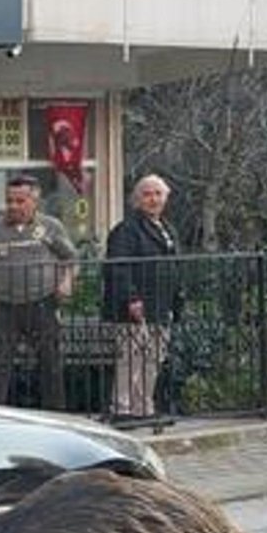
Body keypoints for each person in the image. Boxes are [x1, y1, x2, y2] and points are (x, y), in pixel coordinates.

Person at [0, 174, 78, 409]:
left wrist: (66, 282)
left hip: (42, 302)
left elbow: (71, 258)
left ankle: (56, 415)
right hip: (4, 305)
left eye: (20, 201)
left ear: (34, 201)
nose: (13, 206)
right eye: (9, 201)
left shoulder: (50, 227)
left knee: (50, 364)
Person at [104, 173, 181, 420]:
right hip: (134, 306)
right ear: (137, 199)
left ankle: (143, 407)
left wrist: (177, 300)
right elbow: (118, 267)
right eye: (147, 194)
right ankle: (122, 408)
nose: (153, 199)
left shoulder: (168, 228)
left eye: (158, 194)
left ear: (166, 198)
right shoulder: (126, 230)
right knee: (131, 359)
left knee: (153, 360)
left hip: (161, 304)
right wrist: (131, 298)